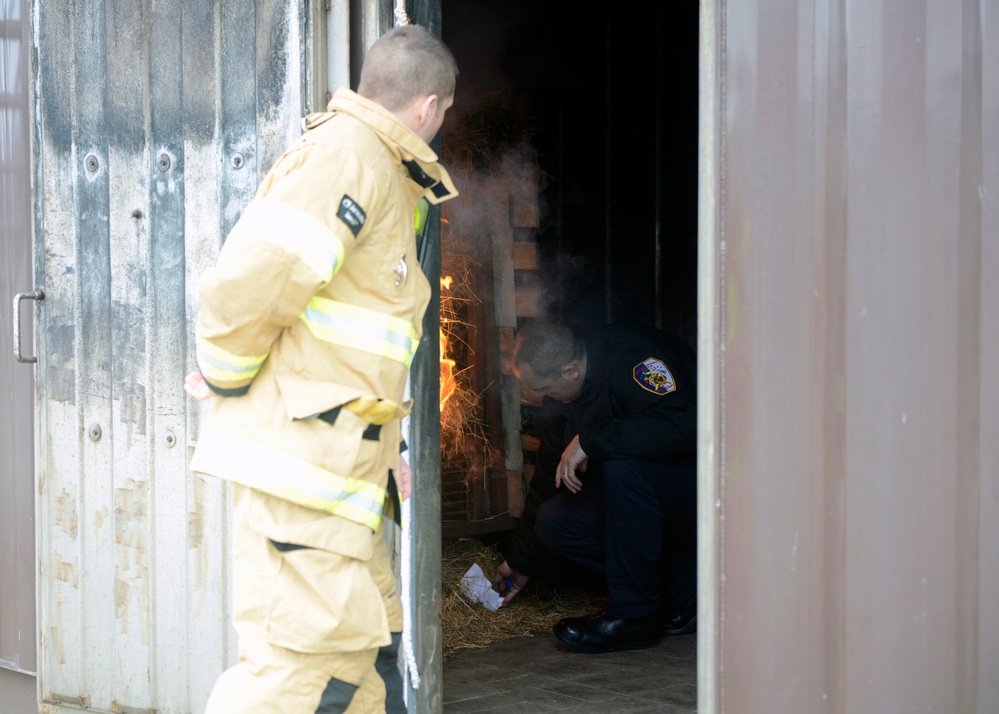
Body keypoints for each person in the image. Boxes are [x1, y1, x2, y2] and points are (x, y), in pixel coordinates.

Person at [183, 24, 458, 713]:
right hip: (305, 478)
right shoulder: (345, 161)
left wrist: (384, 448)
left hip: (341, 476)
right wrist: (225, 377)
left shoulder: (379, 172)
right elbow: (245, 288)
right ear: (429, 107)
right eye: (445, 113)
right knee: (299, 678)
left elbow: (350, 345)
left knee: (356, 675)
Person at [491, 318, 697, 654]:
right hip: (646, 506)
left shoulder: (639, 358)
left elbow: (686, 424)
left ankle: (634, 619)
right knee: (555, 520)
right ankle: (677, 591)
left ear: (570, 370)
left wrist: (592, 441)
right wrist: (520, 562)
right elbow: (548, 478)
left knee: (624, 469)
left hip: (706, 493)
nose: (537, 396)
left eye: (541, 388)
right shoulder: (564, 395)